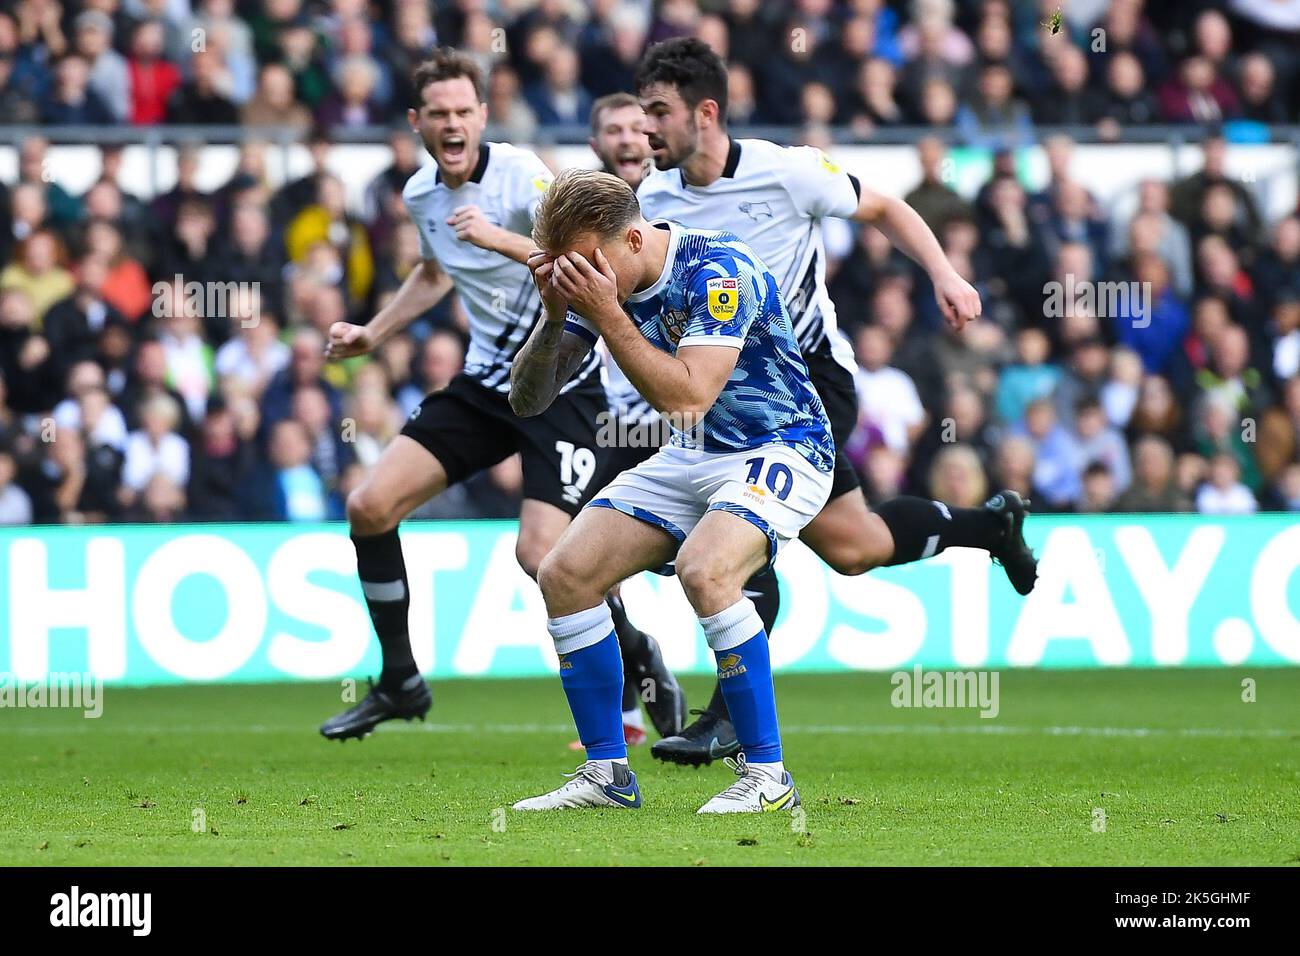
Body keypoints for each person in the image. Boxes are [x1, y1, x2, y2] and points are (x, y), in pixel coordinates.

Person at [631, 38, 1037, 766]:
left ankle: (727, 720)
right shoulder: (651, 204)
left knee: (740, 535)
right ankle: (990, 526)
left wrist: (944, 274)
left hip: (811, 378)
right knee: (853, 549)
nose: (645, 129)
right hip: (723, 391)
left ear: (707, 112)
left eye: (658, 112)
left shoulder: (788, 173)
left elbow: (884, 206)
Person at [317, 50, 681, 741]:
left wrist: (495, 236)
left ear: (483, 117)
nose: (453, 125)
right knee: (369, 506)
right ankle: (400, 682)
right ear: (417, 122)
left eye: (464, 112)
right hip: (487, 381)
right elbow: (432, 273)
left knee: (541, 556)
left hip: (564, 380)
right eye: (440, 114)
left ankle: (638, 659)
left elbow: (581, 261)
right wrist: (374, 330)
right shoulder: (422, 193)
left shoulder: (521, 176)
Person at [509, 169, 839, 812]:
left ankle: (769, 777)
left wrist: (604, 313)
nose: (582, 278)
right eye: (569, 268)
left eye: (587, 265)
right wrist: (555, 318)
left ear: (632, 240)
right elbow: (529, 399)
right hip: (693, 455)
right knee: (565, 572)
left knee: (706, 570)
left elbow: (687, 397)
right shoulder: (601, 279)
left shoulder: (719, 271)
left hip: (784, 447)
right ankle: (607, 773)